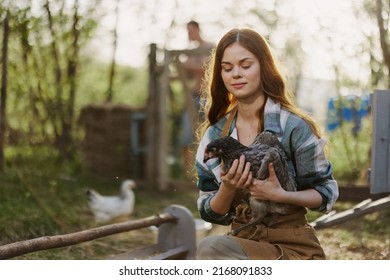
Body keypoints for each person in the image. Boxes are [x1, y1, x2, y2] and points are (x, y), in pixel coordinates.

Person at [194, 28, 339, 260]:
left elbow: (325, 193)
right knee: (212, 248)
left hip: (292, 243)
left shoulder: (294, 127)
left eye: (246, 65)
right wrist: (228, 189)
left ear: (263, 66)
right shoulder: (214, 136)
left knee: (212, 250)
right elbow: (209, 212)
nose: (236, 74)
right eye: (227, 68)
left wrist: (282, 195)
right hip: (244, 241)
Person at [180, 21, 214, 179]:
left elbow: (205, 65)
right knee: (187, 136)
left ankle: (208, 172)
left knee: (209, 134)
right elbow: (186, 67)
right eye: (187, 31)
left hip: (207, 98)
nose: (189, 34)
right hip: (192, 97)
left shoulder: (209, 47)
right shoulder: (191, 51)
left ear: (198, 29)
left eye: (190, 31)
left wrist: (188, 63)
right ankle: (188, 175)